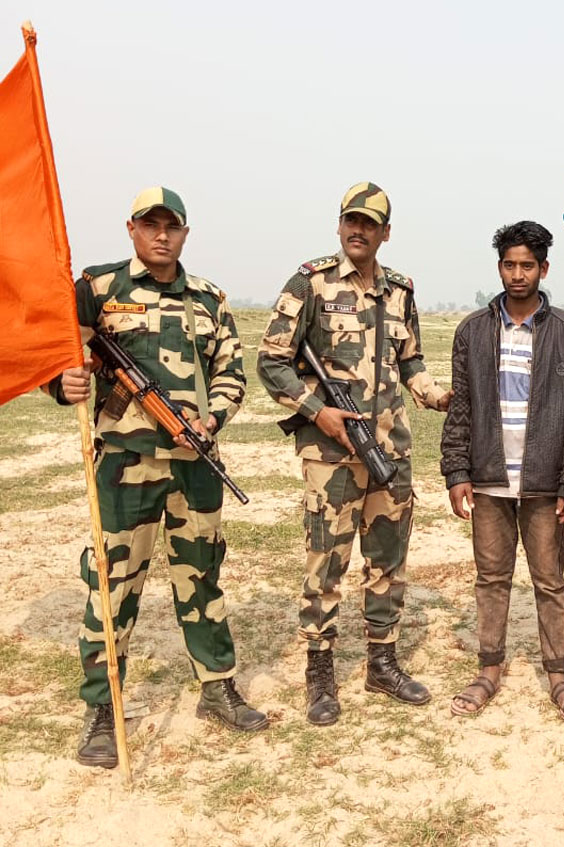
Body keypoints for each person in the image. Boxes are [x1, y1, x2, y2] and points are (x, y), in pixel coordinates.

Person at [49, 187, 267, 769]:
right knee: (111, 586)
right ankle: (102, 707)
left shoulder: (210, 299)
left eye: (172, 226)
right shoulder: (98, 289)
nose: (161, 235)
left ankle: (217, 686)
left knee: (202, 578)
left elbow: (231, 374)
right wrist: (60, 383)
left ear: (185, 234)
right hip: (124, 466)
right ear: (132, 229)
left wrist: (211, 415)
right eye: (151, 225)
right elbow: (60, 350)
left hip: (195, 465)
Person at [257, 182, 451, 725]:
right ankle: (320, 677)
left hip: (391, 449)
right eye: (350, 220)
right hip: (332, 454)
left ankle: (381, 664)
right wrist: (316, 410)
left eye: (369, 223)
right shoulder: (310, 282)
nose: (358, 230)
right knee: (326, 563)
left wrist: (439, 395)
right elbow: (272, 360)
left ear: (386, 233)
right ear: (339, 225)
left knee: (387, 561)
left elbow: (410, 361)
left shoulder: (400, 290)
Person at [440, 221, 564, 723]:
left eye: (527, 265)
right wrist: (455, 470)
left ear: (544, 269)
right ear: (499, 267)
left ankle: (559, 674)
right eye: (509, 264)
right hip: (488, 476)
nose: (517, 274)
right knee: (491, 578)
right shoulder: (473, 330)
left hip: (545, 481)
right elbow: (461, 407)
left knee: (549, 580)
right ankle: (489, 669)